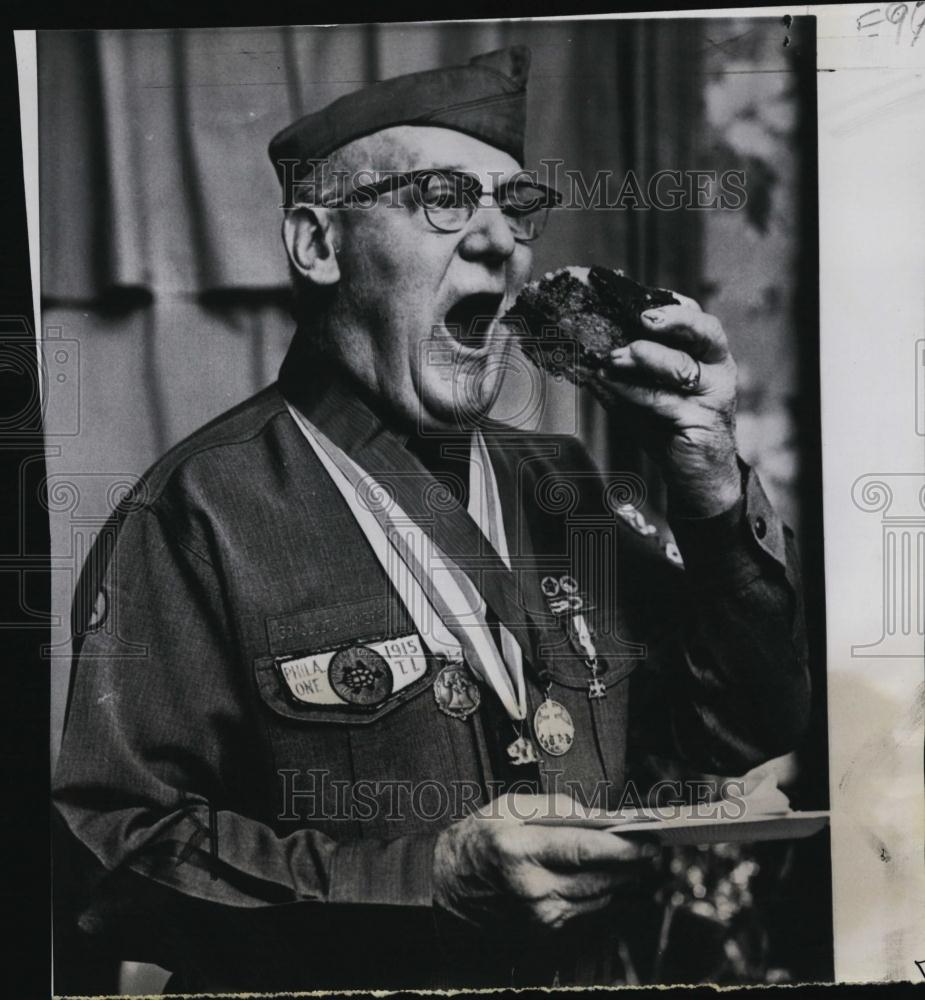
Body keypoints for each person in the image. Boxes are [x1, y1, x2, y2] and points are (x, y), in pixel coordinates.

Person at [53, 46, 811, 991]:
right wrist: (430, 875)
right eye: (443, 197)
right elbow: (115, 857)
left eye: (516, 206)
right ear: (318, 245)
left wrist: (707, 493)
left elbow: (739, 734)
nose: (500, 240)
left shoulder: (565, 484)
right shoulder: (198, 513)